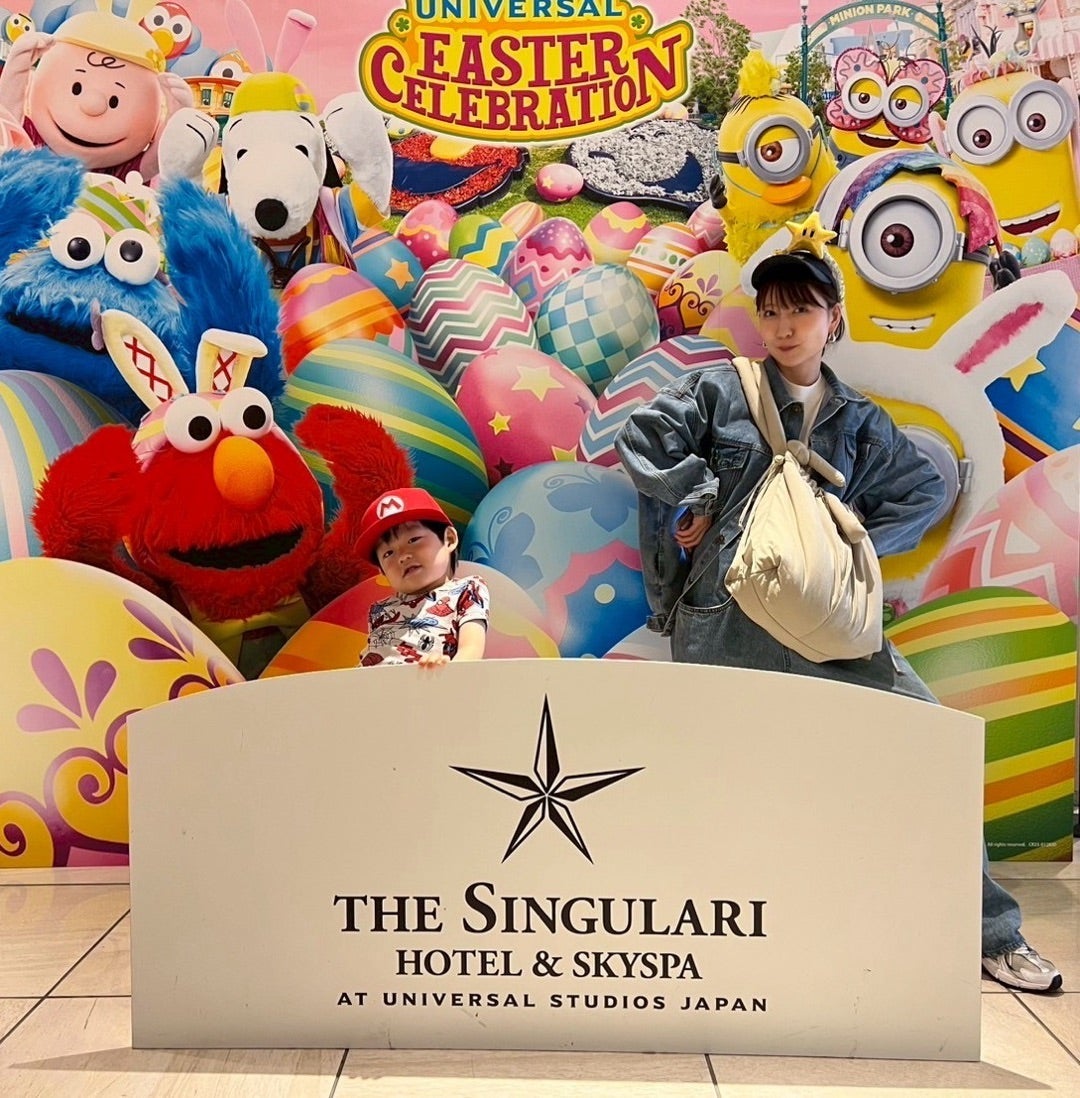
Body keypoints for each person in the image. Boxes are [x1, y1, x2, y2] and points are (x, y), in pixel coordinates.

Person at [614, 215, 1062, 994]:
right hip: (725, 620)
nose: (785, 326)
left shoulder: (859, 419)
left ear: (834, 318)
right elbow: (644, 442)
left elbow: (924, 489)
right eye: (772, 311)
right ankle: (722, 952)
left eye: (802, 309)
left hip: (826, 620)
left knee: (928, 747)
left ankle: (992, 934)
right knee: (722, 785)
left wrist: (849, 543)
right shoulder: (720, 391)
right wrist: (701, 499)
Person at [354, 488, 488, 669]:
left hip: (434, 680)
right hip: (376, 684)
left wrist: (449, 670)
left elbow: (471, 648)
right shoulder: (379, 610)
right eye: (388, 553)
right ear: (381, 571)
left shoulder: (467, 589)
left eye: (413, 540)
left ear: (449, 539)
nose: (402, 557)